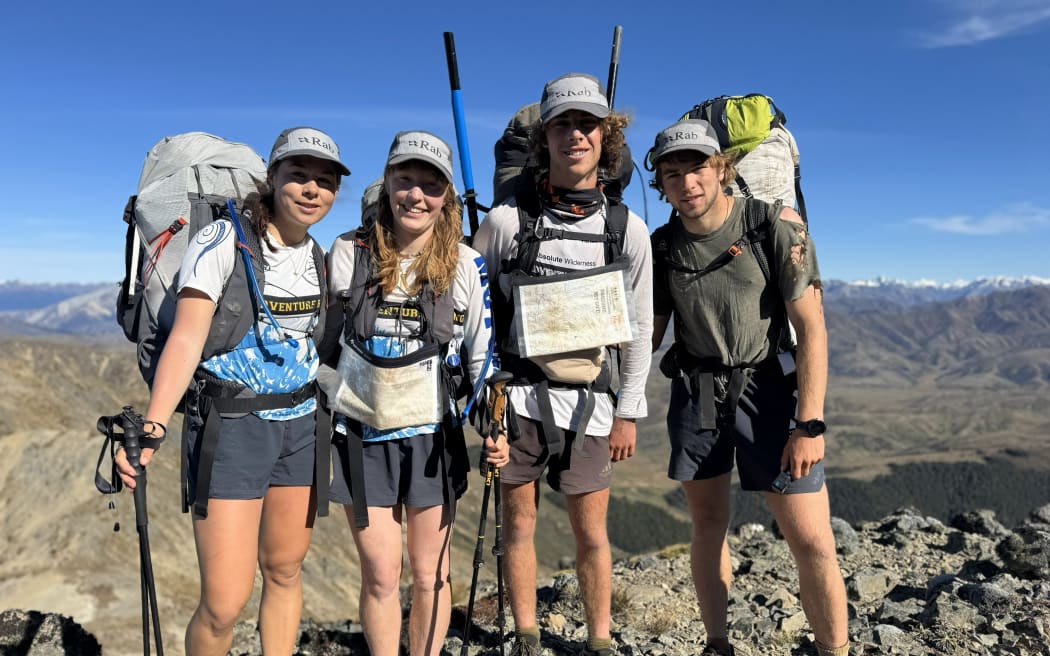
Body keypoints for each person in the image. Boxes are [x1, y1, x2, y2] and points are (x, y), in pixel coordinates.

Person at [115, 126, 349, 655]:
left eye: (325, 181)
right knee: (224, 602)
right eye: (299, 176)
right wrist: (154, 426)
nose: (312, 190)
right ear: (272, 179)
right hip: (231, 427)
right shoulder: (222, 240)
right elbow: (187, 337)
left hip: (301, 427)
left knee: (286, 570)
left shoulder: (319, 254)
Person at [646, 118, 850, 656]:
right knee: (708, 525)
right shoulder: (661, 247)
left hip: (772, 392)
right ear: (660, 184)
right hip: (698, 394)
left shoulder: (774, 226)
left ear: (721, 168)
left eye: (697, 168)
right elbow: (650, 334)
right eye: (672, 173)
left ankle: (836, 649)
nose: (686, 182)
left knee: (810, 539)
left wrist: (809, 423)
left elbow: (811, 328)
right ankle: (717, 644)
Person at [473, 73, 653, 656]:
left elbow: (639, 328)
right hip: (518, 399)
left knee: (591, 533)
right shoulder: (505, 224)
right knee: (519, 524)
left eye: (587, 124)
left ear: (607, 136)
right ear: (543, 138)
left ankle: (600, 639)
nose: (575, 134)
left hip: (592, 405)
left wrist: (628, 411)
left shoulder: (627, 231)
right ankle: (527, 633)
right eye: (562, 124)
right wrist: (484, 402)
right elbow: (475, 313)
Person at [323, 130, 508, 656]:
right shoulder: (348, 253)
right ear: (388, 183)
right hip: (360, 437)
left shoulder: (467, 265)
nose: (416, 195)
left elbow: (482, 359)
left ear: (445, 196)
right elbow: (322, 343)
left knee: (431, 576)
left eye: (431, 185)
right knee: (381, 576)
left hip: (433, 440)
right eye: (406, 180)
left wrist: (492, 426)